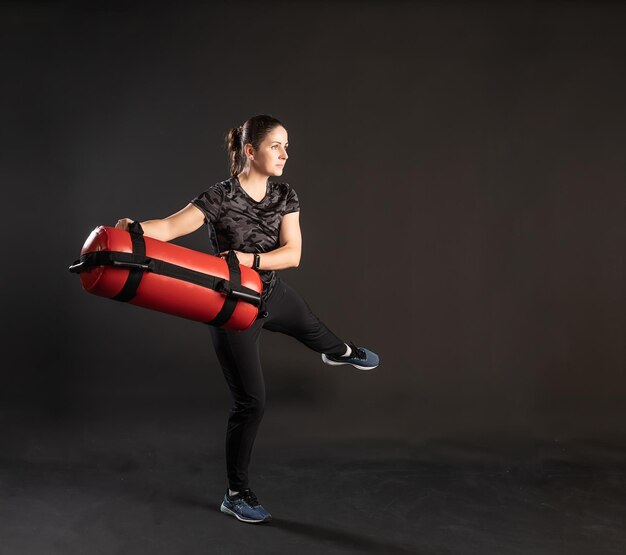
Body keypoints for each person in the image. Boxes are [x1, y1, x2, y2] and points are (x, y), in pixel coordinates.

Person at [115, 114, 379, 524]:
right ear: (250, 150)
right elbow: (167, 227)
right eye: (277, 146)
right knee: (252, 403)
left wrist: (248, 259)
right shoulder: (219, 197)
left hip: (271, 292)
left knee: (317, 331)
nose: (285, 154)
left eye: (287, 146)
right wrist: (134, 229)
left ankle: (341, 352)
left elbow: (292, 255)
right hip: (232, 307)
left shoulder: (285, 195)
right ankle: (236, 493)